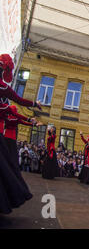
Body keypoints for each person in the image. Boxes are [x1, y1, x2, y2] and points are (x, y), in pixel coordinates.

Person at [0, 54, 41, 214]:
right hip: (6, 140)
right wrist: (32, 110)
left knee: (7, 166)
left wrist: (30, 120)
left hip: (7, 140)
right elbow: (18, 103)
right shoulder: (4, 92)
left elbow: (18, 114)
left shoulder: (4, 90)